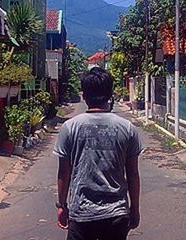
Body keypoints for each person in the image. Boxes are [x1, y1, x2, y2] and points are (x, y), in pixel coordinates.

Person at [53, 67, 143, 240]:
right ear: (110, 95)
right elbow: (133, 174)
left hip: (81, 214)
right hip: (117, 214)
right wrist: (135, 209)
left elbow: (64, 172)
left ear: (84, 95)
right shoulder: (127, 128)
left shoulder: (70, 127)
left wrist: (62, 205)